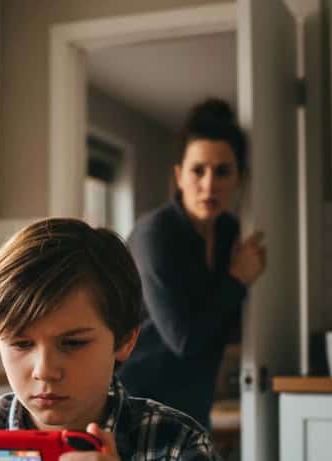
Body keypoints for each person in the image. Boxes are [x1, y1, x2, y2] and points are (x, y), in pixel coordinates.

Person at [0, 218, 222, 460]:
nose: (45, 371)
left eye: (73, 343)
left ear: (125, 341)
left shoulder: (176, 445)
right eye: (20, 343)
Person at [117, 98, 267, 429]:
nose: (209, 184)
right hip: (133, 403)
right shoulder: (156, 234)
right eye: (198, 170)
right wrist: (238, 279)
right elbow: (184, 340)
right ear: (179, 175)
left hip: (192, 403)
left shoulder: (230, 233)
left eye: (223, 171)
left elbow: (221, 324)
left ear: (239, 178)